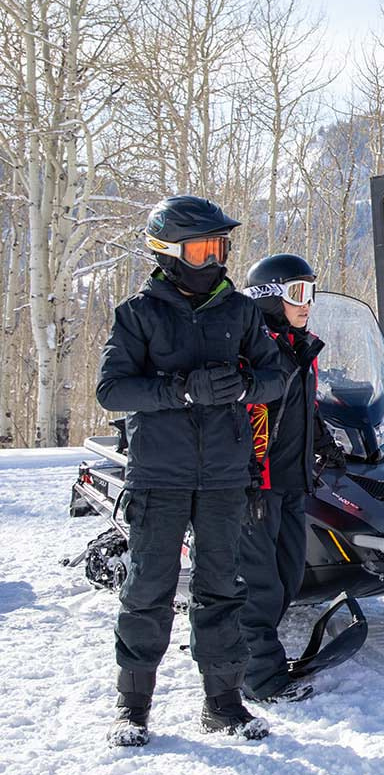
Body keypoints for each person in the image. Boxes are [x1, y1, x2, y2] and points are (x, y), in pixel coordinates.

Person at [97, 195, 289, 746]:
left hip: (227, 476)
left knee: (222, 589)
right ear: (168, 251)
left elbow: (277, 377)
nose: (216, 258)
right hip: (160, 476)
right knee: (148, 589)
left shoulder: (240, 311)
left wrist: (248, 384)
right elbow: (112, 390)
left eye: (221, 246)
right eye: (204, 248)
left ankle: (224, 703)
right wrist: (180, 390)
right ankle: (133, 707)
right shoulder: (137, 313)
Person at [238, 254, 346, 704]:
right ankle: (259, 678)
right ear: (269, 297)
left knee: (285, 576)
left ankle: (243, 654)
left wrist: (323, 445)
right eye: (298, 293)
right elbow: (242, 418)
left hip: (289, 482)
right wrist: (247, 482)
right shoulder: (252, 351)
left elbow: (304, 410)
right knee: (259, 584)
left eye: (311, 293)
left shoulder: (300, 347)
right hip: (256, 485)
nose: (308, 304)